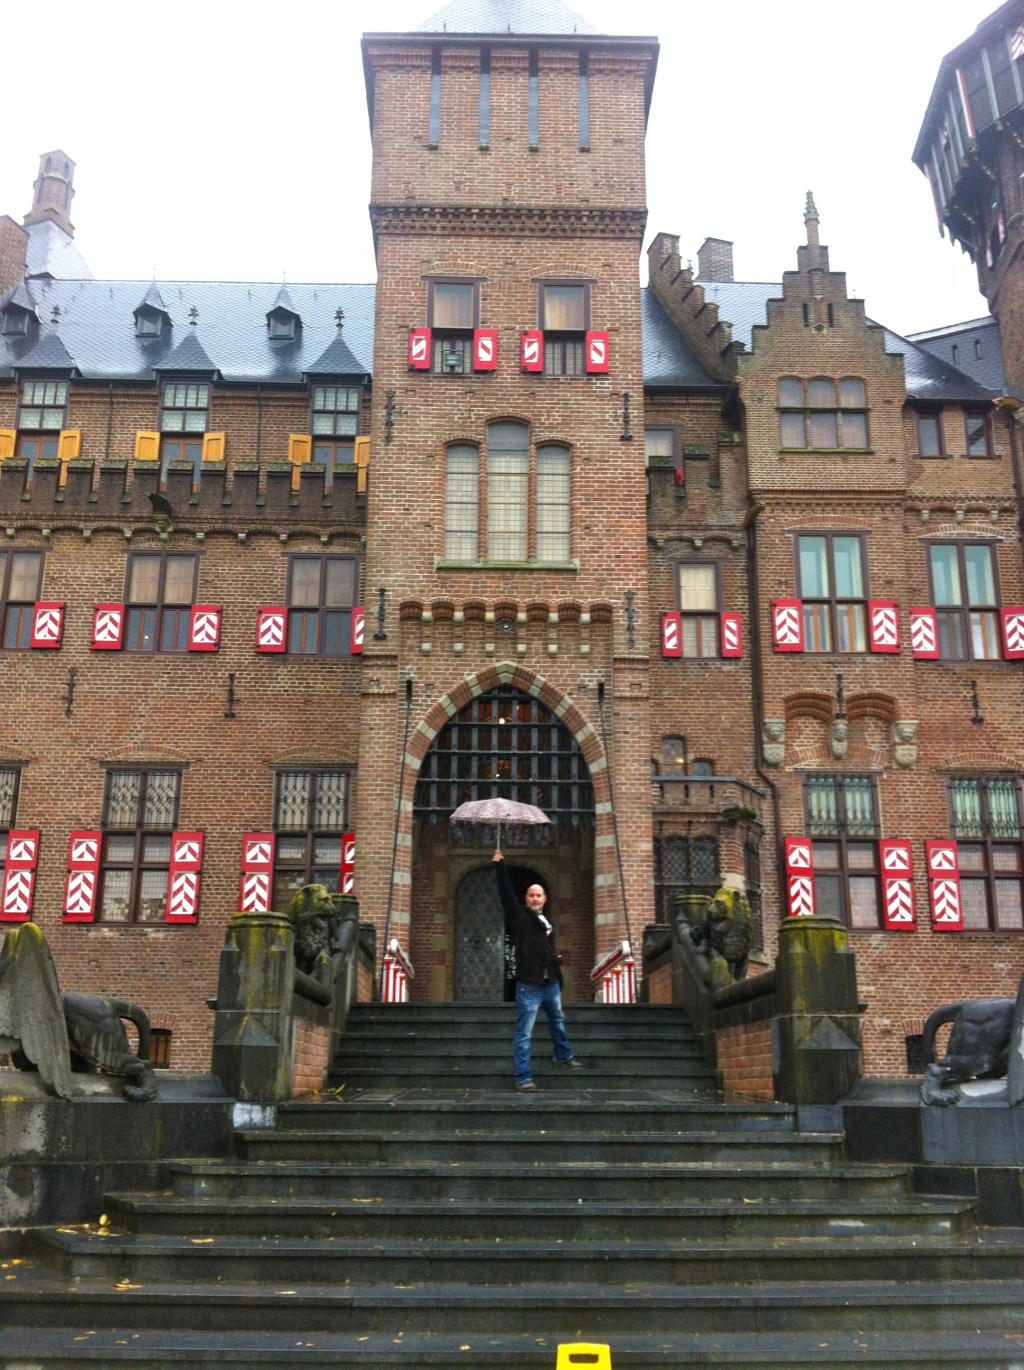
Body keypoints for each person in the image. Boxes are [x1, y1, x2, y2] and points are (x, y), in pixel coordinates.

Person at [492, 850, 580, 1091]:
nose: (534, 899)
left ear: (545, 898)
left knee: (557, 1021)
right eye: (531, 895)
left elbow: (545, 948)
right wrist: (500, 867)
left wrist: (555, 962)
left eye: (538, 895)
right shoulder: (519, 917)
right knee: (524, 1034)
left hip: (550, 984)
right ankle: (523, 1078)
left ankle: (563, 1055)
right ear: (526, 898)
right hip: (529, 986)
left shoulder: (546, 920)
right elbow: (506, 896)